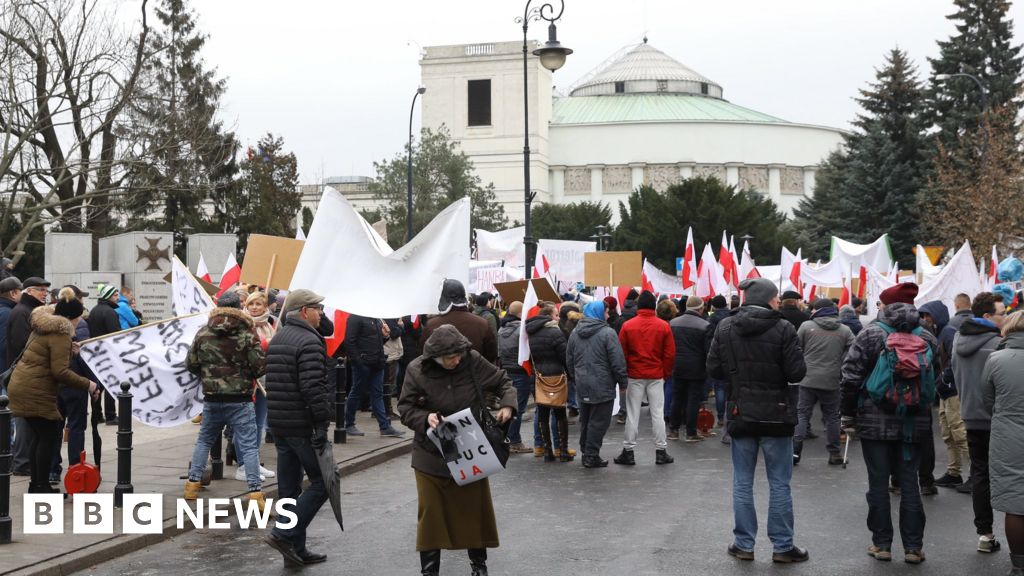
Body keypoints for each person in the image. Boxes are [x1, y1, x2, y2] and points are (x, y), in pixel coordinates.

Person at [399, 325, 516, 576]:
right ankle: (429, 572)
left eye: (459, 355)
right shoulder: (416, 370)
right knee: (431, 514)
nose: (457, 360)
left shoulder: (471, 359)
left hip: (470, 448)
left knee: (475, 509)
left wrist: (508, 404)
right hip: (430, 453)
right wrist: (425, 417)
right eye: (451, 357)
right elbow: (406, 409)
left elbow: (503, 381)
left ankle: (479, 566)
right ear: (436, 358)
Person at [708, 277, 809, 563]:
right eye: (776, 298)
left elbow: (713, 368)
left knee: (742, 481)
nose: (779, 302)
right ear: (768, 299)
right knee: (780, 482)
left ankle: (744, 544)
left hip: (741, 411)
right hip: (777, 413)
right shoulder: (784, 327)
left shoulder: (726, 326)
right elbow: (796, 373)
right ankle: (782, 546)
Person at [840, 283, 936, 565]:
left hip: (874, 420)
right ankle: (913, 548)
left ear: (885, 305)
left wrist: (848, 414)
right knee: (909, 483)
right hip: (913, 422)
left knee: (878, 483)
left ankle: (881, 544)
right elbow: (936, 375)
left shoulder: (871, 333)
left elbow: (850, 376)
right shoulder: (927, 336)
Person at [264, 289, 333, 566]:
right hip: (301, 425)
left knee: (289, 489)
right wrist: (321, 423)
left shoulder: (280, 337)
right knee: (323, 482)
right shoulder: (309, 341)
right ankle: (284, 533)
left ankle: (295, 551)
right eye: (318, 307)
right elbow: (313, 388)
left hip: (281, 423)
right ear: (305, 311)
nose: (322, 313)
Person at [7, 288, 99, 494]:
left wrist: (70, 350)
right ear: (69, 318)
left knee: (40, 436)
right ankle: (41, 486)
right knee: (47, 437)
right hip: (35, 389)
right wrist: (89, 384)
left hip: (23, 386)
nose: (78, 323)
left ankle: (37, 485)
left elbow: (47, 355)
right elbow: (60, 372)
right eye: (77, 319)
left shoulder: (44, 325)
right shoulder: (60, 332)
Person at [183, 291, 267, 507]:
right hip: (240, 399)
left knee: (204, 440)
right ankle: (255, 493)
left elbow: (191, 364)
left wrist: (209, 375)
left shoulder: (203, 332)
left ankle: (192, 485)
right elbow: (259, 368)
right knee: (248, 446)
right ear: (238, 309)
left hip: (212, 397)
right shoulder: (247, 334)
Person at [954, 291, 1007, 554]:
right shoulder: (999, 344)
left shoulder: (957, 340)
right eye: (1002, 313)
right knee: (1009, 476)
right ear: (987, 316)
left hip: (970, 416)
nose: (1005, 316)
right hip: (998, 418)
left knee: (980, 475)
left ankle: (985, 534)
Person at [981, 311, 1024, 575]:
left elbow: (987, 399)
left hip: (1007, 434)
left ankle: (1019, 565)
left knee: (1014, 501)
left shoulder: (996, 359)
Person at [614, 290, 676, 466]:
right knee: (657, 413)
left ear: (638, 306)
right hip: (656, 374)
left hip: (635, 374)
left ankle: (628, 451)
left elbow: (622, 353)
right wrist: (665, 372)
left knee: (632, 414)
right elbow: (670, 353)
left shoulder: (628, 326)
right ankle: (661, 451)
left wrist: (624, 373)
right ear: (654, 306)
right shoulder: (664, 326)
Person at [793, 298, 853, 466]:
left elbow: (797, 348)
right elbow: (853, 350)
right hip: (832, 378)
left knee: (802, 414)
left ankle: (795, 451)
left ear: (818, 311)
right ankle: (835, 454)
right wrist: (841, 363)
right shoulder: (844, 330)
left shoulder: (806, 326)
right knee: (832, 417)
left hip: (808, 377)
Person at [566, 301, 627, 468]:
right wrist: (622, 381)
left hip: (582, 382)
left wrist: (575, 377)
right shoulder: (608, 333)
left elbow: (569, 359)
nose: (608, 315)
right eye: (606, 312)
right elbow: (617, 361)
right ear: (599, 313)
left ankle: (586, 451)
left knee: (586, 419)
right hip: (603, 382)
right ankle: (591, 455)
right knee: (599, 421)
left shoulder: (574, 333)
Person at [8, 276, 51, 476]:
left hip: (31, 374)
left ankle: (25, 461)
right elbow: (20, 345)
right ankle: (21, 463)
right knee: (24, 422)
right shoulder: (22, 313)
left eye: (45, 290)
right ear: (28, 292)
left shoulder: (30, 311)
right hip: (25, 375)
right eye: (40, 290)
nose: (44, 294)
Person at [933, 293, 973, 491]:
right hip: (959, 387)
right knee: (953, 431)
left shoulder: (949, 328)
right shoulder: (972, 323)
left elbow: (952, 360)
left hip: (951, 388)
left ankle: (968, 474)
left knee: (956, 431)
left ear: (956, 305)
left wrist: (943, 379)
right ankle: (955, 472)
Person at [344, 313, 405, 437]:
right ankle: (349, 424)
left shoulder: (375, 318)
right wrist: (359, 363)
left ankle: (385, 426)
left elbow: (376, 341)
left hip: (377, 362)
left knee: (378, 394)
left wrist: (385, 336)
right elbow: (350, 341)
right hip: (364, 363)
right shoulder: (356, 317)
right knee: (356, 392)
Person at [526, 301, 572, 462]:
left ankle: (547, 451)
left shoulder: (530, 332)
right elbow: (564, 356)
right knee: (560, 413)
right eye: (556, 315)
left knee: (543, 413)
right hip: (556, 376)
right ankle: (563, 450)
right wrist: (571, 375)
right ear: (548, 317)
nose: (558, 318)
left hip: (538, 376)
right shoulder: (555, 332)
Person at [243, 291, 277, 480]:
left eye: (258, 304)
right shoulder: (243, 324)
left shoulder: (270, 324)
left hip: (266, 378)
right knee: (246, 425)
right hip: (250, 382)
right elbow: (246, 349)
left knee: (258, 424)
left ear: (265, 306)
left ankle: (254, 461)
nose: (254, 307)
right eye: (251, 304)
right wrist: (266, 343)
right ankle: (245, 464)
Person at [669, 295, 712, 443]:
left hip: (677, 366)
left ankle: (673, 430)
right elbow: (708, 350)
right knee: (693, 400)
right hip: (697, 367)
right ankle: (690, 432)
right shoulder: (705, 325)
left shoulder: (673, 323)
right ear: (700, 308)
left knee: (677, 398)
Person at [421, 279, 497, 363]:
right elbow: (491, 354)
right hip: (474, 374)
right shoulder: (482, 324)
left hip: (442, 375)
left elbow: (423, 354)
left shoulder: (431, 325)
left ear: (443, 298)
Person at [496, 301, 534, 454]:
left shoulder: (501, 329)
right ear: (521, 313)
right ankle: (514, 441)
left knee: (510, 406)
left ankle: (507, 438)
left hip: (507, 370)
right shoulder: (521, 331)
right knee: (519, 408)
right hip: (520, 371)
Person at [88, 284, 123, 423]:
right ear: (108, 296)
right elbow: (115, 334)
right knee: (110, 384)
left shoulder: (94, 310)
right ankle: (111, 415)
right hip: (108, 352)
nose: (118, 297)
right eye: (115, 295)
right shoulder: (109, 312)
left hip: (96, 352)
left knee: (98, 385)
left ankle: (97, 415)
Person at [383, 318, 405, 418]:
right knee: (389, 383)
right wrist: (400, 325)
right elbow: (394, 333)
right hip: (390, 353)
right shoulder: (388, 316)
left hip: (388, 352)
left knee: (386, 383)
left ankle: (383, 409)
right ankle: (387, 410)